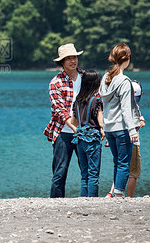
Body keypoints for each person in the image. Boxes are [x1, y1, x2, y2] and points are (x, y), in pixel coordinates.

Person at [99, 43, 141, 198]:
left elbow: (103, 102)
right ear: (127, 59)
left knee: (117, 162)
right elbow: (126, 108)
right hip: (122, 128)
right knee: (124, 164)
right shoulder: (124, 81)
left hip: (109, 127)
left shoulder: (105, 78)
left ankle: (116, 192)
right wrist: (132, 130)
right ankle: (118, 194)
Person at [44, 43, 84, 198]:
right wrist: (74, 128)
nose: (73, 61)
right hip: (63, 132)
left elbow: (97, 100)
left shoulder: (86, 77)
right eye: (68, 58)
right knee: (60, 172)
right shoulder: (55, 82)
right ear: (62, 62)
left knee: (88, 171)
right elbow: (60, 110)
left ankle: (89, 201)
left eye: (74, 57)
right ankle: (55, 203)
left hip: (84, 130)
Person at [106, 80, 146, 197]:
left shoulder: (116, 105)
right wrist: (138, 123)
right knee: (132, 172)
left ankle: (111, 192)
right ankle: (128, 197)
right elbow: (141, 121)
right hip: (131, 141)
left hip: (115, 138)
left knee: (120, 166)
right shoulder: (134, 108)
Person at [70, 70, 105, 197]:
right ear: (95, 84)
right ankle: (93, 200)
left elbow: (73, 122)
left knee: (84, 174)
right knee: (93, 174)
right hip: (92, 140)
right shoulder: (96, 101)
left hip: (79, 141)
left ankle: (83, 199)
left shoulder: (77, 101)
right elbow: (101, 123)